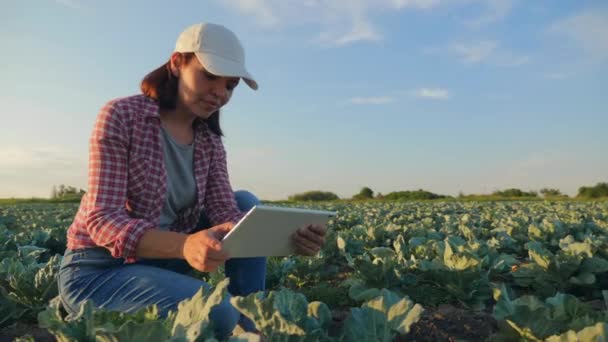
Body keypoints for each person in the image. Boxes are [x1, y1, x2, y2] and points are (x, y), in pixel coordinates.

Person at [57, 22, 328, 338]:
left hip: (159, 266)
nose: (220, 93)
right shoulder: (121, 115)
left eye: (230, 85)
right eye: (210, 76)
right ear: (176, 63)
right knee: (218, 312)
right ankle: (231, 318)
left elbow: (228, 214)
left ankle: (254, 322)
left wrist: (288, 238)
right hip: (99, 274)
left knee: (246, 203)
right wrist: (185, 245)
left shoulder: (209, 141)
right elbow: (102, 221)